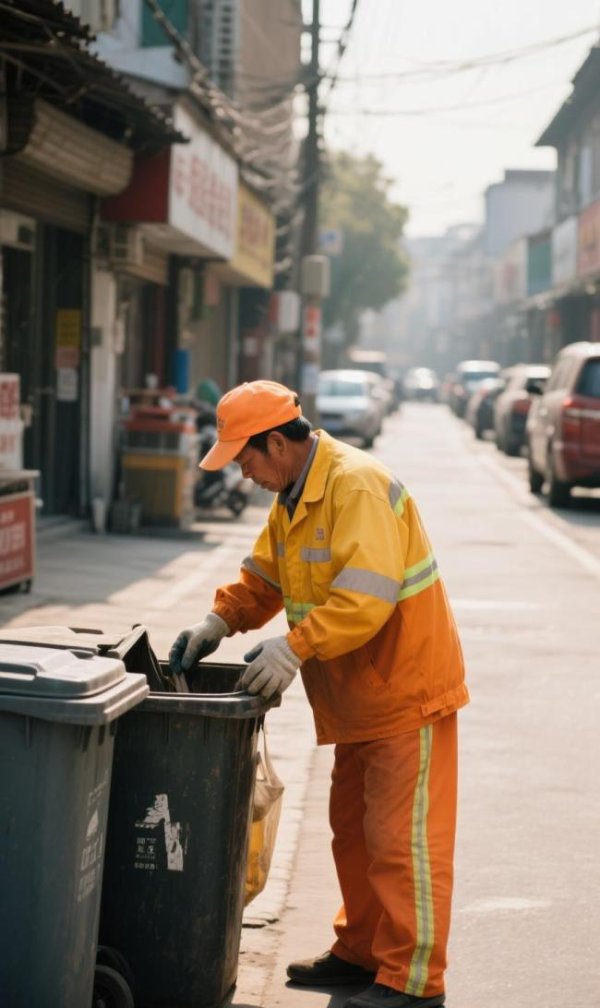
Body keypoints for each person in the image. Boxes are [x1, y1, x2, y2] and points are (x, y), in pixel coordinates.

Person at [169, 380, 469, 1008]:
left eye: (245, 458)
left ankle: (413, 982)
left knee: (400, 842)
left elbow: (367, 597)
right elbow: (266, 575)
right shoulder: (296, 495)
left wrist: (293, 647)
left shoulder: (353, 486)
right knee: (354, 835)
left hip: (403, 691)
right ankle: (361, 951)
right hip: (358, 696)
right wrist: (219, 621)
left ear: (277, 442)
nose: (243, 473)